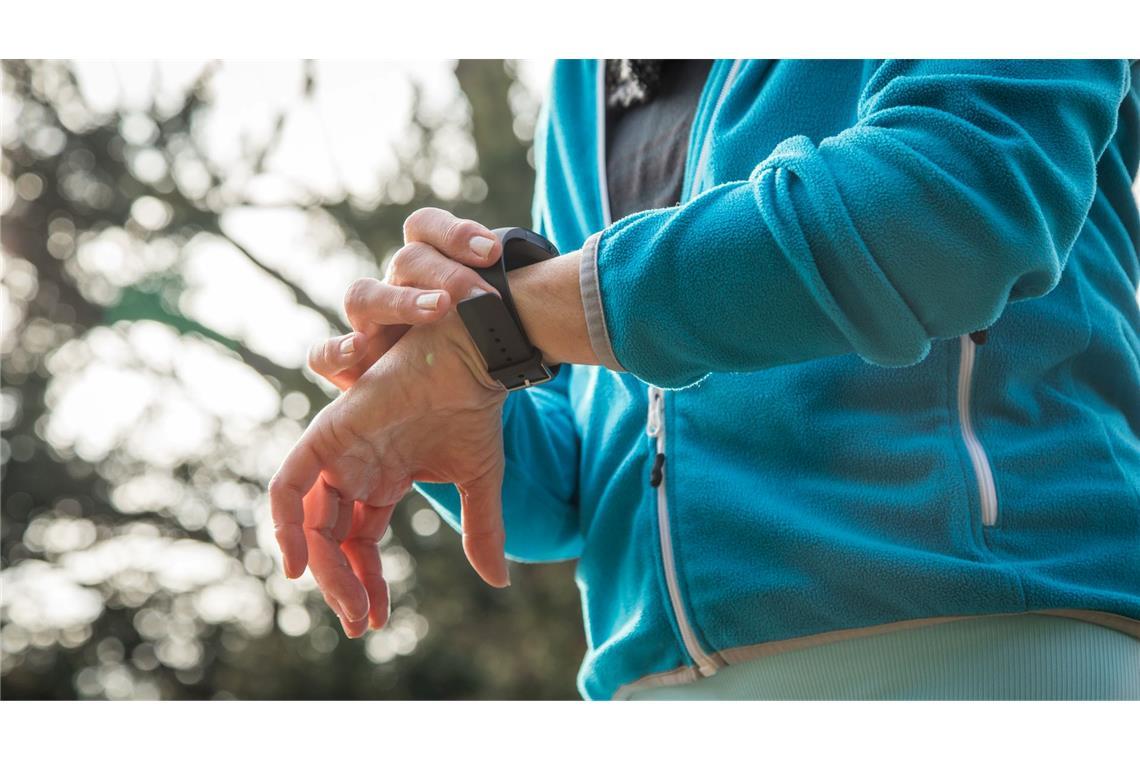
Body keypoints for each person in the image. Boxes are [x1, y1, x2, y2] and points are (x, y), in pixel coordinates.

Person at [270, 60, 1140, 699]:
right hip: (652, 695)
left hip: (987, 649)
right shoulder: (588, 73)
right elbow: (582, 478)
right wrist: (436, 382)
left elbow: (954, 200)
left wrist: (513, 320)